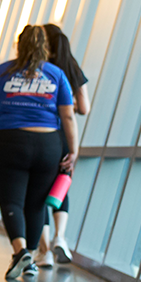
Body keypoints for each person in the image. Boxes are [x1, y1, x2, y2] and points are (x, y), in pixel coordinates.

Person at [0, 25, 78, 280]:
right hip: (48, 144)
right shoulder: (56, 74)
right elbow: (68, 115)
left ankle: (21, 251)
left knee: (11, 200)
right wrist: (73, 149)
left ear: (19, 45)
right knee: (36, 203)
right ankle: (29, 256)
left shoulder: (2, 72)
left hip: (10, 141)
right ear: (45, 46)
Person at [35, 24, 90, 267]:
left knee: (38, 192)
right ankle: (60, 237)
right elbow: (84, 108)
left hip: (43, 134)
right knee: (60, 186)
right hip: (66, 138)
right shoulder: (72, 67)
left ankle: (44, 251)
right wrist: (68, 107)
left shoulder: (42, 66)